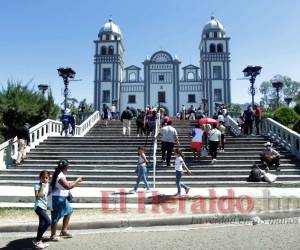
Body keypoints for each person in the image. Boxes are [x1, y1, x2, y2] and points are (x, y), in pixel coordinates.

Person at [50, 159, 82, 241]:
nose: (68, 168)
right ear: (65, 167)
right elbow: (68, 186)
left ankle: (64, 231)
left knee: (69, 211)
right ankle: (53, 235)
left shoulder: (58, 173)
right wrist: (77, 181)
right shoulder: (60, 175)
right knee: (55, 217)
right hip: (57, 198)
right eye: (68, 167)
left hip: (61, 197)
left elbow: (63, 185)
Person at [32, 170, 51, 249]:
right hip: (38, 207)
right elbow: (37, 196)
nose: (45, 179)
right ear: (40, 178)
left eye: (47, 178)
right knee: (48, 222)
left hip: (44, 206)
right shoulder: (37, 185)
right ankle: (38, 239)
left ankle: (38, 241)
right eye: (43, 178)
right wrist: (42, 188)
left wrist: (47, 197)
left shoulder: (48, 185)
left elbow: (47, 194)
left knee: (42, 224)